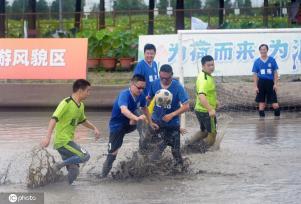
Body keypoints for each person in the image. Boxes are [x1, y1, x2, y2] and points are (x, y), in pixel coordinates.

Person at [40, 79, 100, 184]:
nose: (89, 94)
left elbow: (83, 121)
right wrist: (47, 137)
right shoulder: (66, 103)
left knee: (74, 171)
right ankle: (58, 166)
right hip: (63, 142)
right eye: (88, 91)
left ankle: (59, 185)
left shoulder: (81, 105)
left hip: (68, 142)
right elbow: (54, 118)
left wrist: (94, 128)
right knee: (85, 155)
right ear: (80, 91)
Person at [100, 74, 158, 178]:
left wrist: (150, 122)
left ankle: (144, 145)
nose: (141, 90)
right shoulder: (124, 94)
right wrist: (136, 118)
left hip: (131, 123)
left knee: (141, 113)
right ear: (132, 84)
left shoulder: (141, 94)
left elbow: (145, 109)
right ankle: (102, 176)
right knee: (112, 154)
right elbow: (123, 110)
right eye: (138, 87)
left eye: (143, 88)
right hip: (118, 126)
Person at [148, 64, 190, 167]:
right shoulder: (154, 84)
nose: (164, 80)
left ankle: (181, 171)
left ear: (172, 75)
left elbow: (186, 106)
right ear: (159, 75)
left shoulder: (178, 87)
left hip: (172, 124)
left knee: (175, 152)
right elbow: (148, 99)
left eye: (167, 78)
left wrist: (172, 115)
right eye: (162, 78)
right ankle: (152, 171)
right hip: (156, 123)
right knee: (154, 149)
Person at [184, 55, 218, 153]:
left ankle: (188, 144)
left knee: (204, 132)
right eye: (209, 65)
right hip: (205, 111)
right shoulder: (204, 80)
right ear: (203, 66)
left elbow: (205, 93)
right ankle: (201, 150)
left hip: (199, 109)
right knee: (212, 133)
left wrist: (215, 102)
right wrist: (210, 109)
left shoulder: (203, 75)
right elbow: (202, 96)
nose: (211, 67)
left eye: (212, 65)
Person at [252, 44, 280, 118]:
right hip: (261, 83)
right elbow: (255, 75)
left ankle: (277, 122)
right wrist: (255, 86)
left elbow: (275, 73)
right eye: (261, 49)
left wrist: (275, 84)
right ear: (260, 51)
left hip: (270, 83)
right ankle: (261, 125)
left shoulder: (272, 60)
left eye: (264, 49)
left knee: (275, 105)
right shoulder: (257, 61)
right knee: (261, 105)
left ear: (267, 50)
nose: (263, 51)